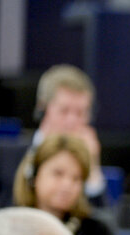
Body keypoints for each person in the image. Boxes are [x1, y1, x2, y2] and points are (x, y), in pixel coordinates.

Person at [33, 64, 105, 202]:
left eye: (79, 113)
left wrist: (92, 167)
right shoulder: (7, 157)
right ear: (42, 109)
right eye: (64, 110)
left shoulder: (88, 158)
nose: (71, 121)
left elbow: (101, 220)